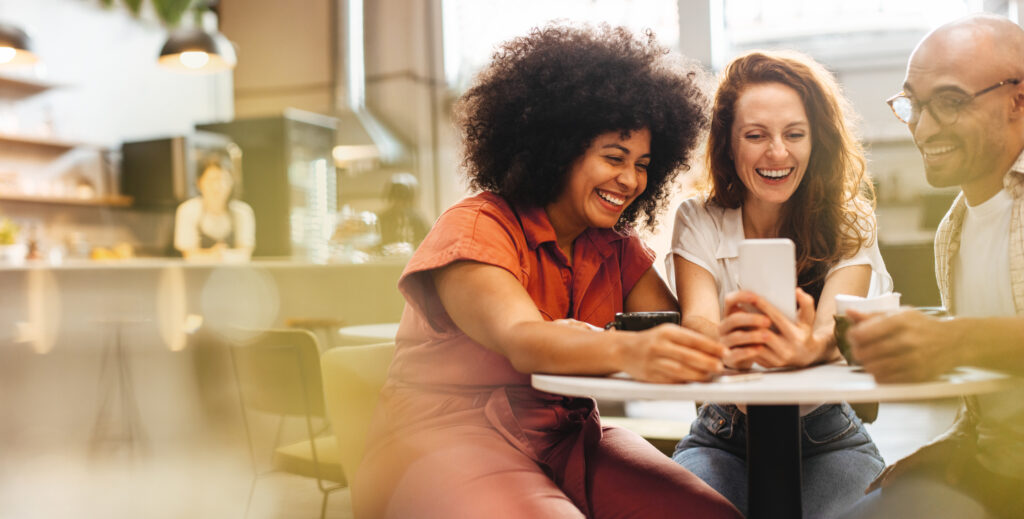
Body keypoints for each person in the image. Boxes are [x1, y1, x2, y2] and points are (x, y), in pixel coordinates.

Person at [351, 24, 740, 519]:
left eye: (643, 164)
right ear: (558, 149)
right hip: (444, 440)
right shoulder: (476, 227)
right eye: (613, 157)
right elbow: (523, 339)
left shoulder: (616, 249)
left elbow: (676, 332)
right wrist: (628, 347)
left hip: (568, 440)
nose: (631, 179)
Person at [667, 50, 892, 518]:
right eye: (755, 136)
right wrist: (728, 342)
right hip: (723, 434)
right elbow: (700, 323)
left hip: (827, 434)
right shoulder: (699, 219)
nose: (777, 153)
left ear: (817, 141)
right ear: (728, 144)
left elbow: (836, 327)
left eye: (795, 134)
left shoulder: (851, 221)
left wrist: (808, 347)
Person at [841, 14, 1024, 519]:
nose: (922, 127)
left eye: (948, 102)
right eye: (914, 105)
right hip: (994, 471)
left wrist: (955, 341)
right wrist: (957, 445)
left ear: (1018, 99)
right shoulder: (954, 229)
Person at [173, 155, 255, 261]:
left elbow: (245, 254)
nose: (217, 186)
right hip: (197, 276)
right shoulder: (187, 210)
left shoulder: (242, 212)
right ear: (199, 182)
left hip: (234, 275)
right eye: (212, 180)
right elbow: (189, 255)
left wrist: (224, 255)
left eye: (224, 180)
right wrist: (213, 255)